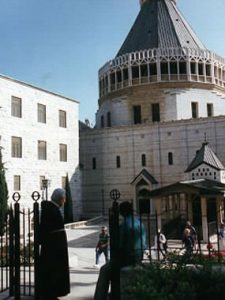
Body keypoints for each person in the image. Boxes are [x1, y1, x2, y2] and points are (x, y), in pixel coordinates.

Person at [94, 201, 146, 300]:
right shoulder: (140, 223)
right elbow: (144, 244)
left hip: (127, 259)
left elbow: (119, 246)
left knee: (104, 270)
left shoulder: (124, 225)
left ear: (122, 212)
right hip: (139, 257)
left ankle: (99, 298)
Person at [39, 188, 70, 300]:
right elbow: (48, 230)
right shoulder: (51, 209)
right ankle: (50, 294)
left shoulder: (52, 208)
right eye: (64, 199)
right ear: (60, 199)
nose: (65, 201)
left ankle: (52, 294)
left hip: (54, 247)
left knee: (54, 272)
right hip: (53, 249)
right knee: (52, 272)